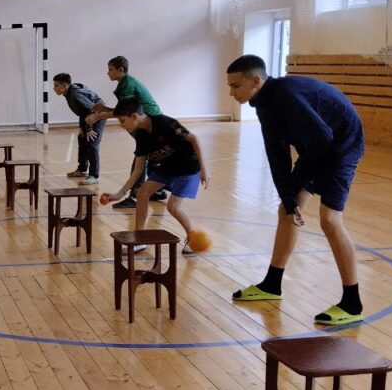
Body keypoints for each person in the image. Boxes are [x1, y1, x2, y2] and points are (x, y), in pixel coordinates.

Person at [226, 54, 366, 324]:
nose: (232, 93)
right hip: (318, 147)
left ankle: (352, 303)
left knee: (330, 220)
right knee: (287, 211)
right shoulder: (263, 104)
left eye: (235, 86)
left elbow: (324, 139)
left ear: (255, 81)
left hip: (341, 147)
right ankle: (272, 285)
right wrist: (288, 197)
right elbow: (277, 154)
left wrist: (294, 185)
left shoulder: (285, 96)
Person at [102, 97, 208, 254]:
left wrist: (204, 169)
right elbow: (137, 170)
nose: (121, 125)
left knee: (173, 207)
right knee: (142, 193)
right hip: (168, 167)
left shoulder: (164, 123)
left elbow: (194, 138)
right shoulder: (140, 136)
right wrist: (119, 194)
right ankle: (139, 240)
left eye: (122, 121)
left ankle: (192, 237)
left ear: (134, 116)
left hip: (188, 166)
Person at [90, 56, 168, 208]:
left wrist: (97, 117)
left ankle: (135, 197)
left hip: (151, 125)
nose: (108, 73)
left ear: (121, 69)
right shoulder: (126, 84)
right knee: (150, 158)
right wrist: (104, 109)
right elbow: (123, 110)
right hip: (150, 125)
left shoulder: (128, 84)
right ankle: (157, 191)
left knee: (142, 160)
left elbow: (126, 112)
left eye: (111, 69)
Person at [53, 72, 104, 184]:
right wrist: (82, 127)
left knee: (92, 144)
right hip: (89, 115)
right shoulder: (68, 92)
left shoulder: (75, 94)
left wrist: (89, 129)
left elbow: (92, 109)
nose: (54, 88)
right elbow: (83, 111)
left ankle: (94, 176)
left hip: (99, 114)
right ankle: (82, 169)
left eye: (56, 86)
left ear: (64, 86)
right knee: (82, 138)